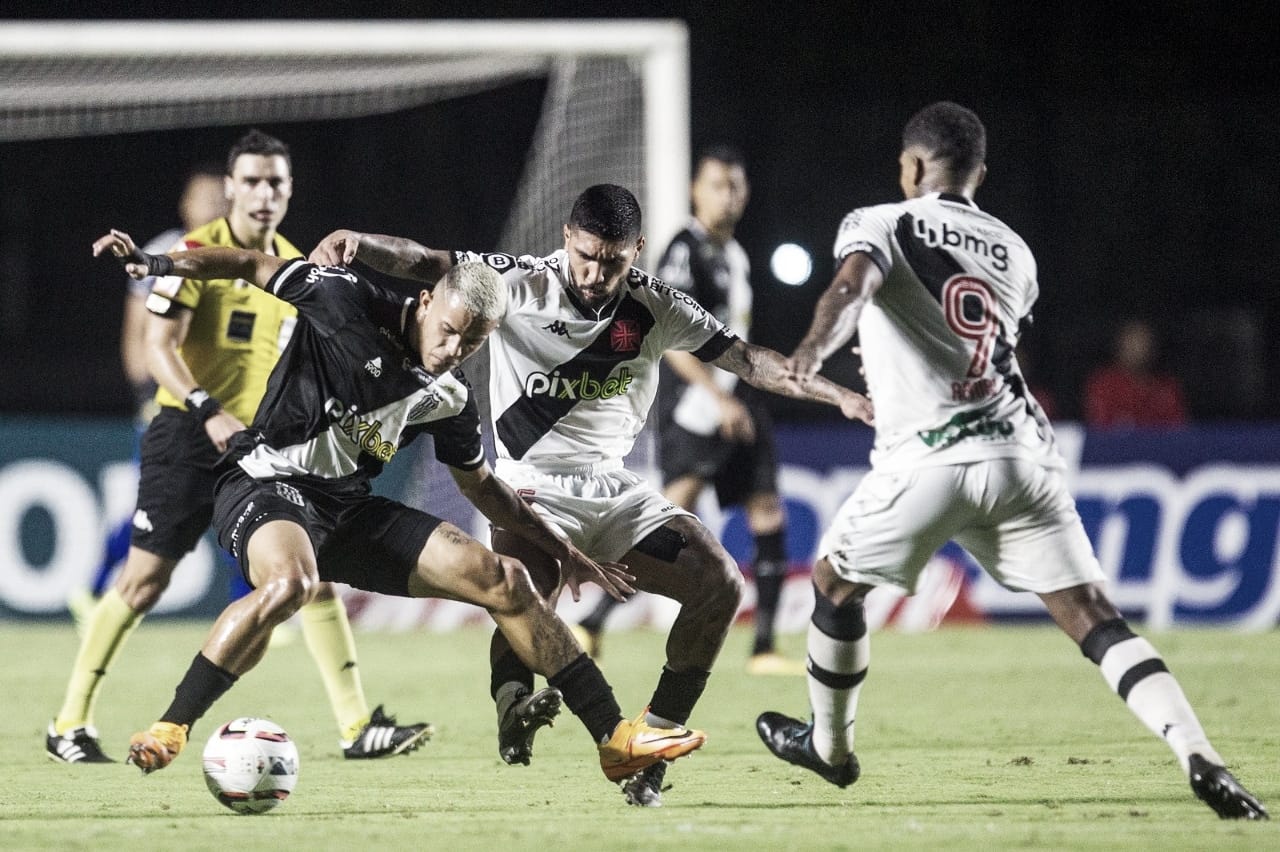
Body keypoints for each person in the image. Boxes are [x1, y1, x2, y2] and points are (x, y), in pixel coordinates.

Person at [754, 101, 1266, 820]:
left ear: (911, 166)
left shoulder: (880, 219)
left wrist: (812, 352)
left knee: (837, 583)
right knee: (1092, 614)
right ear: (979, 174)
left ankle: (829, 749)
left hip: (930, 457)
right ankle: (1200, 754)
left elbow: (852, 286)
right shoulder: (1016, 252)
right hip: (1024, 453)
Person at [309, 183, 873, 806]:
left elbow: (751, 361)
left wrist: (837, 393)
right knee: (532, 582)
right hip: (528, 483)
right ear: (565, 240)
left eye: (613, 261)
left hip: (613, 487)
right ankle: (512, 699)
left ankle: (651, 744)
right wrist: (362, 246)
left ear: (636, 249)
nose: (596, 274)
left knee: (719, 581)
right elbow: (431, 263)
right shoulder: (521, 281)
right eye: (585, 255)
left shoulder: (656, 306)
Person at [93, 230, 704, 791]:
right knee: (292, 584)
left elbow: (483, 488)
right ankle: (171, 726)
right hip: (264, 484)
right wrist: (158, 264)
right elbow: (251, 263)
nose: (453, 348)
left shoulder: (450, 397)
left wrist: (565, 551)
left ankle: (613, 737)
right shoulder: (343, 298)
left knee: (506, 579)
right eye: (450, 329)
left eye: (474, 341)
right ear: (427, 302)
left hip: (347, 512)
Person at [48, 130, 430, 765]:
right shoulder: (197, 252)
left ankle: (357, 724)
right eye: (251, 180)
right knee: (144, 580)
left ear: (289, 192)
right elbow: (157, 348)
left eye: (275, 181)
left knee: (314, 573)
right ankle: (69, 723)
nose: (264, 193)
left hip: (261, 447)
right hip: (189, 434)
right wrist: (209, 412)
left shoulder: (294, 265)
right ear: (230, 189)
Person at [574, 146, 803, 676]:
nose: (730, 195)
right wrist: (718, 395)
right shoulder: (686, 249)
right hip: (695, 406)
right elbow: (669, 335)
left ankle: (764, 646)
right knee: (668, 520)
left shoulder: (736, 254)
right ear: (696, 191)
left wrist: (738, 393)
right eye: (719, 184)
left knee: (766, 508)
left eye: (738, 185)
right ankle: (592, 621)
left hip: (734, 400)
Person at [67, 164, 228, 627]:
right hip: (170, 397)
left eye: (221, 198)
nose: (215, 205)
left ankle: (248, 602)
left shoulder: (236, 253)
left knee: (236, 490)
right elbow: (137, 331)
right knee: (154, 501)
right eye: (206, 197)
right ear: (186, 205)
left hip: (222, 397)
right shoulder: (161, 251)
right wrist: (146, 389)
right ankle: (94, 586)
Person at [1083, 318, 1187, 427]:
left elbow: (1179, 430)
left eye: (1144, 342)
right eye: (1133, 342)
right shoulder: (1103, 384)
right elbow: (1102, 427)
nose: (1138, 348)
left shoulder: (1167, 386)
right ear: (1120, 345)